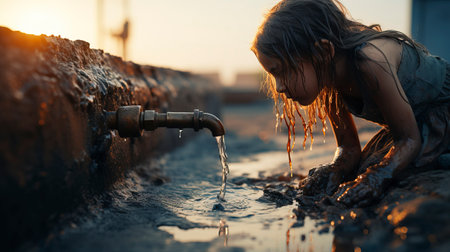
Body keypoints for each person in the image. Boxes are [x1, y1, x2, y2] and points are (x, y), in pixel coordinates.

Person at [251, 0, 450, 207]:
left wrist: (375, 178)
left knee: (383, 173)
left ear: (322, 52)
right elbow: (348, 148)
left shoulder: (370, 61)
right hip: (413, 125)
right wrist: (334, 169)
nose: (279, 87)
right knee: (349, 175)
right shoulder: (326, 77)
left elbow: (408, 140)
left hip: (441, 112)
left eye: (281, 71)